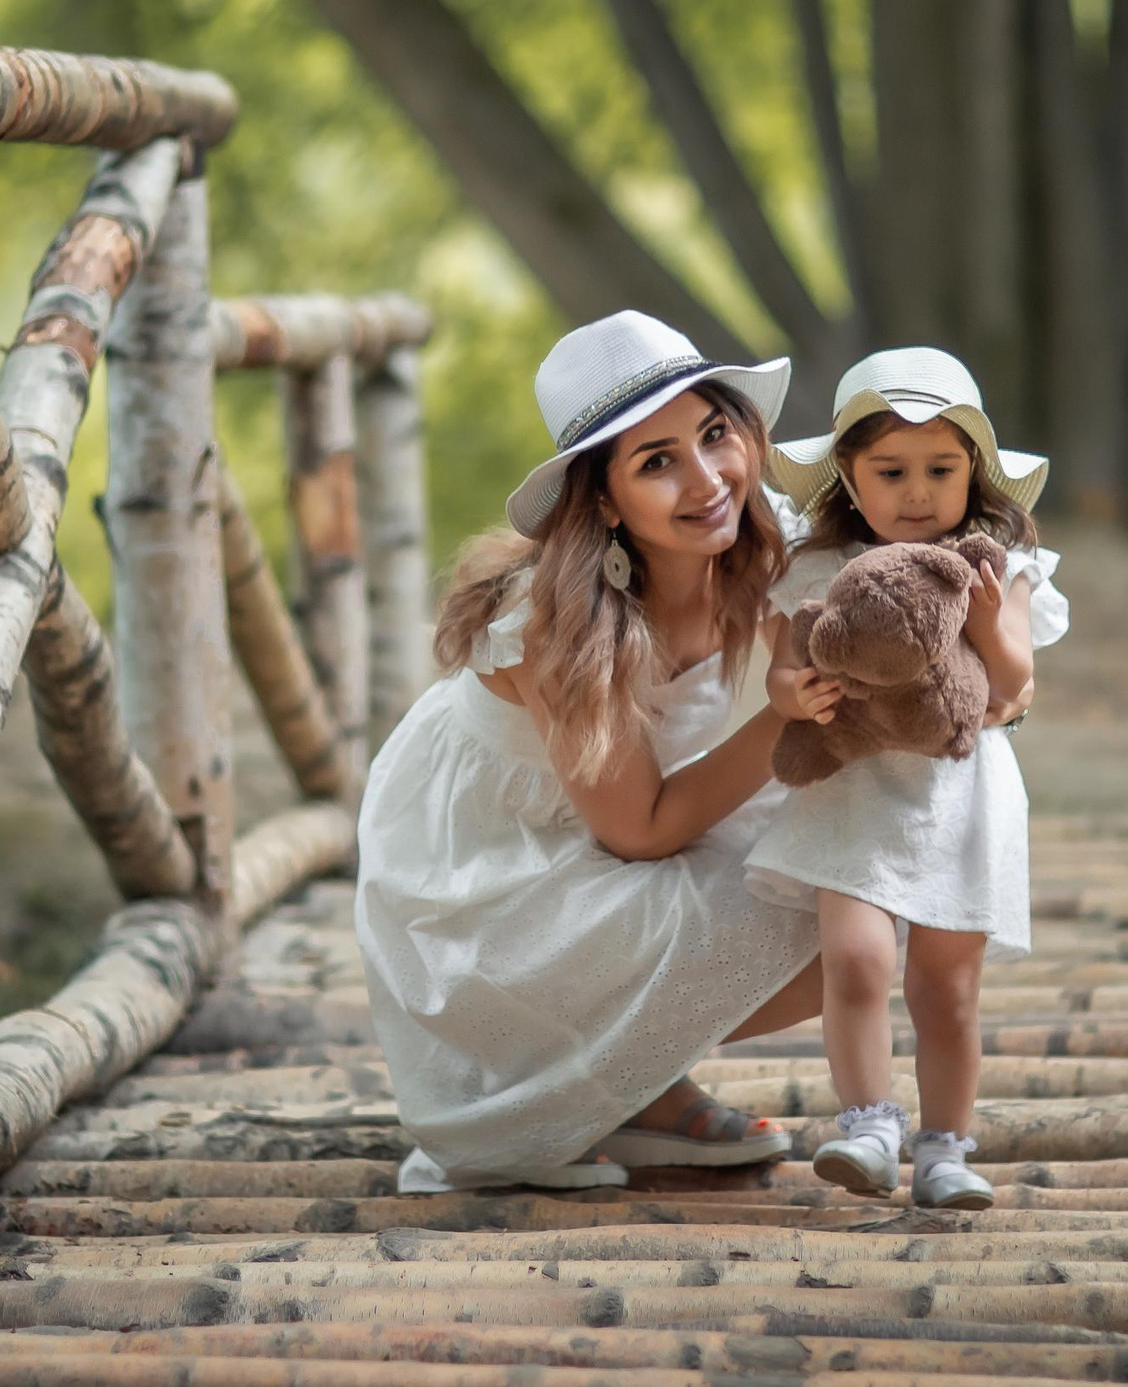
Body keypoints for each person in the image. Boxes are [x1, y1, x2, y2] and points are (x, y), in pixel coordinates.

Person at [354, 311, 837, 1193]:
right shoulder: (557, 623)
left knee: (861, 868)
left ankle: (637, 1085)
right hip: (488, 874)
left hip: (601, 821)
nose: (706, 479)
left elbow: (871, 596)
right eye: (657, 462)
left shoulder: (750, 536)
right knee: (806, 901)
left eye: (714, 433)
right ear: (606, 501)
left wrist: (992, 669)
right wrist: (784, 718)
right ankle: (596, 1084)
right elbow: (641, 831)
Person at [751, 347, 1069, 1208]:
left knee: (946, 984)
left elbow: (1014, 690)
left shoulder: (997, 568)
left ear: (975, 474)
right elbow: (782, 672)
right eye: (891, 471)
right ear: (850, 478)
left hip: (961, 796)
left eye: (942, 469)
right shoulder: (818, 572)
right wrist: (799, 693)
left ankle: (946, 1147)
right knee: (853, 956)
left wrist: (993, 620)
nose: (917, 493)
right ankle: (867, 1121)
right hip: (853, 784)